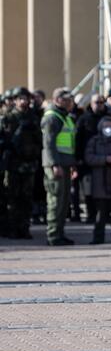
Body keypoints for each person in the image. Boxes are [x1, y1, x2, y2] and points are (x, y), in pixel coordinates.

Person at [1, 87, 43, 239]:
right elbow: (4, 140)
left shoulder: (33, 118)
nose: (24, 101)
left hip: (29, 164)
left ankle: (24, 228)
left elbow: (40, 140)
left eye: (26, 98)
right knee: (13, 198)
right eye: (21, 98)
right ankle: (12, 229)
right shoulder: (8, 117)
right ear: (15, 100)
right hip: (13, 164)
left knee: (26, 198)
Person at [42, 89, 77, 246]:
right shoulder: (52, 118)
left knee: (64, 202)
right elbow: (48, 145)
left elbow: (69, 144)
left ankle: (60, 233)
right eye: (67, 99)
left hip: (65, 164)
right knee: (55, 201)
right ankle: (53, 235)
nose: (70, 102)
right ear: (57, 100)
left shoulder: (65, 118)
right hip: (55, 165)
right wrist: (54, 164)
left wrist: (72, 164)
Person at [76, 94, 108, 223]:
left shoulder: (108, 118)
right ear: (91, 103)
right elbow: (78, 139)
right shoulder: (84, 119)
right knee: (88, 190)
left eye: (101, 102)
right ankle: (91, 214)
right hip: (87, 161)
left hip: (104, 160)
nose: (99, 105)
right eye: (96, 102)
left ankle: (103, 215)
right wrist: (78, 158)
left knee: (103, 189)